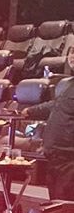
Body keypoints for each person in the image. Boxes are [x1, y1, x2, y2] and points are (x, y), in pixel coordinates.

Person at [20, 52, 74, 200]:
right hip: (55, 155)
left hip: (69, 157)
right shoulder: (70, 85)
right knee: (55, 202)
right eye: (72, 52)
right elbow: (56, 105)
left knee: (65, 204)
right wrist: (31, 111)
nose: (73, 57)